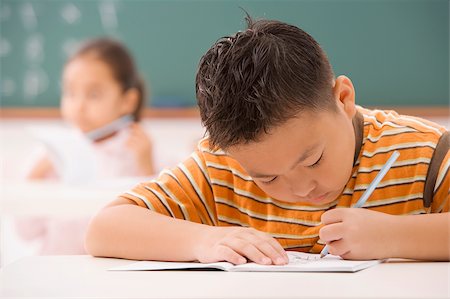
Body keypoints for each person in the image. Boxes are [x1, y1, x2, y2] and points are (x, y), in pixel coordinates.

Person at [85, 16, 449, 264]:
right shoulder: (222, 167)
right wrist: (203, 241)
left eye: (312, 160)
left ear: (342, 98)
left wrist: (396, 236)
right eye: (267, 178)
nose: (303, 187)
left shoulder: (423, 154)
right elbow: (104, 229)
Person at [16, 37, 155, 254]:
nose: (78, 106)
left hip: (107, 276)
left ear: (127, 101)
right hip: (55, 273)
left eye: (93, 94)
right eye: (70, 92)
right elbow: (25, 232)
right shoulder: (50, 152)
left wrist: (146, 168)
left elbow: (152, 230)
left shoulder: (140, 152)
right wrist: (36, 175)